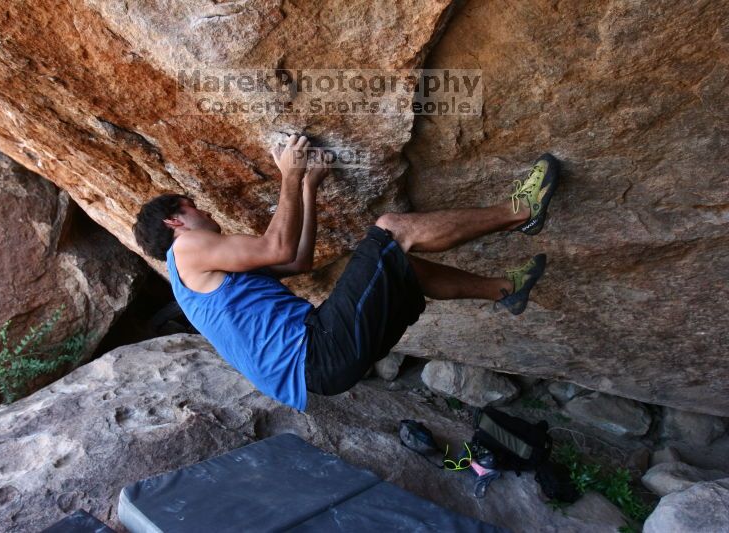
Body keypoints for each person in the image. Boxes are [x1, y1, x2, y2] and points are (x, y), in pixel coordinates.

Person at [133, 134, 560, 411]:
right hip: (318, 351)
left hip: (324, 371)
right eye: (195, 208)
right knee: (391, 230)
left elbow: (296, 261)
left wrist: (308, 188)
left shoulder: (203, 281)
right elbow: (275, 246)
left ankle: (505, 289)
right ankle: (520, 212)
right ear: (176, 221)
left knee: (399, 267)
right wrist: (289, 173)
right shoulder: (186, 249)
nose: (205, 212)